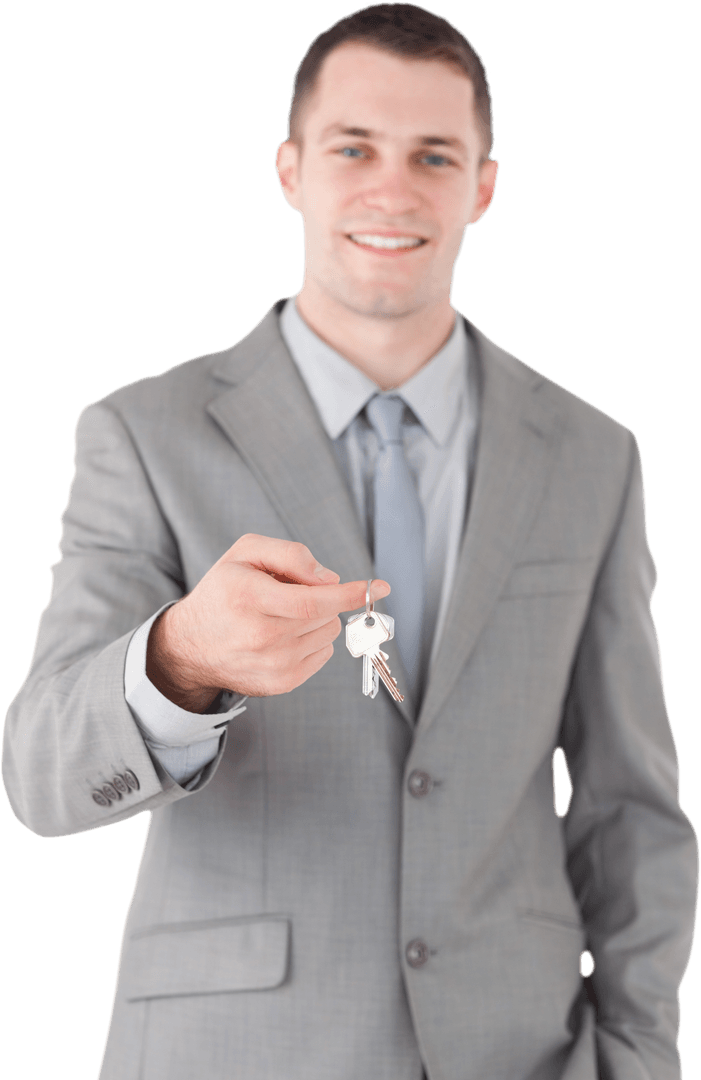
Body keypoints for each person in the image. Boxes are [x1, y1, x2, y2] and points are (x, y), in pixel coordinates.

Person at [2, 3, 698, 1078]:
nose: (393, 188)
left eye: (433, 155)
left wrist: (638, 1061)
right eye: (353, 148)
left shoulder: (592, 454)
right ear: (290, 172)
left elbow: (632, 809)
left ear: (482, 186)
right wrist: (180, 658)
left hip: (520, 1054)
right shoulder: (142, 434)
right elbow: (41, 777)